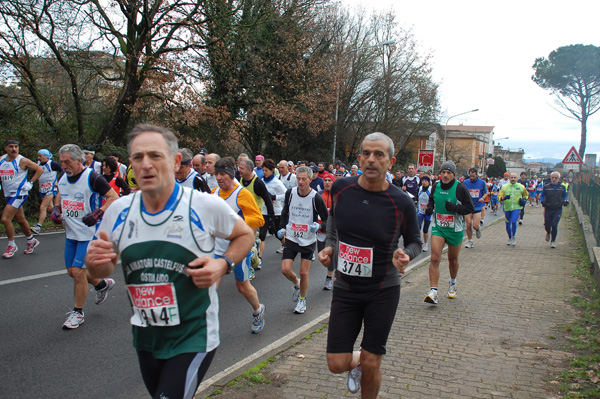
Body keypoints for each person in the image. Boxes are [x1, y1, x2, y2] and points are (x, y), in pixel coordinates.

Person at [85, 124, 255, 399]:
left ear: (176, 162)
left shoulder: (202, 205)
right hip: (146, 337)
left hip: (194, 336)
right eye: (138, 158)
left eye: (155, 156)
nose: (146, 165)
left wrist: (223, 264)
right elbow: (104, 267)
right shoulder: (118, 210)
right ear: (130, 165)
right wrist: (96, 264)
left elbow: (245, 234)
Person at [318, 132, 421, 397]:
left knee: (373, 360)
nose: (371, 160)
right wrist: (330, 245)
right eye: (366, 153)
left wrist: (406, 254)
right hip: (346, 288)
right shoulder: (342, 188)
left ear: (390, 161)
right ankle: (359, 362)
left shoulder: (401, 202)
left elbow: (415, 241)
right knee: (336, 364)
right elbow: (332, 220)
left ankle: (367, 363)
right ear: (360, 157)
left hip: (382, 289)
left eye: (379, 155)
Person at [53, 144, 119, 329]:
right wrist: (57, 208)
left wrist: (99, 212)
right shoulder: (63, 177)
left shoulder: (92, 177)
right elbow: (61, 193)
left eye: (67, 161)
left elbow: (113, 197)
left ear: (79, 160)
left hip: (90, 233)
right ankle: (101, 285)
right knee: (71, 272)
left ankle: (78, 313)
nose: (64, 165)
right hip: (71, 233)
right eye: (61, 161)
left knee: (78, 272)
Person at [212, 157, 267, 333]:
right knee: (210, 285)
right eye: (216, 174)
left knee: (242, 286)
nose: (219, 178)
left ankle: (258, 310)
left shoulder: (242, 194)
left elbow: (259, 219)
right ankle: (206, 325)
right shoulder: (213, 192)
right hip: (215, 248)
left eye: (222, 174)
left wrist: (239, 220)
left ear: (231, 174)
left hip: (238, 248)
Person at [277, 165, 328, 314]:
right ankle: (297, 284)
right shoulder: (290, 193)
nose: (300, 182)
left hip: (308, 239)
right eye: (298, 179)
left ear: (310, 180)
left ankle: (302, 300)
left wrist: (317, 227)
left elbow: (327, 220)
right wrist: (282, 228)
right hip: (292, 236)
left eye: (304, 179)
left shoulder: (316, 198)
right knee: (285, 269)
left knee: (304, 272)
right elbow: (285, 212)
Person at [424, 160, 474, 305]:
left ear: (453, 174)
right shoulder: (436, 186)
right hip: (438, 227)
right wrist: (429, 208)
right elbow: (432, 200)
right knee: (434, 257)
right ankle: (433, 291)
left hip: (455, 229)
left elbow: (469, 207)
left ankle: (452, 283)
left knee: (452, 260)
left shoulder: (460, 188)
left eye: (448, 173)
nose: (445, 175)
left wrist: (455, 208)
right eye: (443, 172)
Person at [0, 139, 43, 258]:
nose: (14, 149)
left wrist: (30, 183)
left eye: (16, 146)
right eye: (10, 147)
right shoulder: (1, 160)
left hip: (20, 193)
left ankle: (11, 245)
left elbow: (40, 169)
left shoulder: (22, 160)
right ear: (5, 148)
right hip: (8, 194)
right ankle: (31, 240)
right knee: (20, 219)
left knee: (5, 218)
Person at [238, 158, 275, 269]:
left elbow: (268, 201)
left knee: (248, 243)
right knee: (243, 242)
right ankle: (255, 249)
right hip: (241, 217)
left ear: (249, 170)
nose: (239, 170)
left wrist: (271, 220)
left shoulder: (258, 183)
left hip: (253, 217)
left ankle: (251, 266)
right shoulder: (239, 180)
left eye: (241, 168)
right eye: (239, 167)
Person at [258, 159, 286, 265]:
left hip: (276, 211)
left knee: (277, 233)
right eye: (263, 170)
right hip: (264, 210)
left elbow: (286, 194)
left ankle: (286, 246)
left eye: (266, 170)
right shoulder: (260, 181)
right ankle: (259, 259)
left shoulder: (277, 183)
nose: (264, 172)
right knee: (262, 235)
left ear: (272, 170)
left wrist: (274, 197)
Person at [32, 149, 63, 235]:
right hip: (42, 189)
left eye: (40, 156)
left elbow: (63, 172)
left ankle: (38, 227)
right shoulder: (37, 164)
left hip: (51, 188)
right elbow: (33, 174)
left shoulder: (53, 164)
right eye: (38, 156)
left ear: (46, 156)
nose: (38, 158)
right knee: (50, 208)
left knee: (43, 207)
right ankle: (64, 220)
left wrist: (59, 182)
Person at [498, 172, 528, 246]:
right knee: (508, 224)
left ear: (517, 179)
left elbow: (526, 194)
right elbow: (499, 197)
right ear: (509, 178)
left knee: (514, 221)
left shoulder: (521, 187)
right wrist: (504, 198)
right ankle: (510, 237)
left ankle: (513, 236)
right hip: (507, 208)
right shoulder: (505, 187)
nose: (513, 179)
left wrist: (524, 200)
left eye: (515, 178)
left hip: (516, 207)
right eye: (512, 177)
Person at [317, 173, 335, 290]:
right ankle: (331, 271)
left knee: (331, 255)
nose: (327, 182)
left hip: (333, 232)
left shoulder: (337, 196)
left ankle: (329, 278)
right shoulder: (319, 195)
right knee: (322, 255)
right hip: (320, 230)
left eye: (329, 180)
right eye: (325, 180)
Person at [540, 171, 568, 248]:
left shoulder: (562, 187)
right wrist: (542, 201)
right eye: (553, 177)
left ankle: (553, 241)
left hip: (557, 208)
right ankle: (548, 232)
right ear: (550, 178)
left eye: (556, 178)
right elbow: (542, 196)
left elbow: (565, 195)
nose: (554, 179)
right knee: (547, 224)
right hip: (548, 208)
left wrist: (565, 200)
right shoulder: (546, 186)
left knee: (554, 224)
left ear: (559, 178)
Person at [462, 168, 488, 248]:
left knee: (475, 225)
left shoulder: (482, 182)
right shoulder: (465, 182)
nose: (471, 177)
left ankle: (477, 229)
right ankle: (470, 241)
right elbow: (462, 192)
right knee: (468, 224)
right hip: (468, 206)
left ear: (476, 175)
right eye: (470, 176)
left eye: (473, 176)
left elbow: (486, 192)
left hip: (477, 206)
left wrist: (482, 198)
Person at [417, 175, 432, 252]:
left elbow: (433, 200)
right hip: (420, 211)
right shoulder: (420, 188)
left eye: (426, 181)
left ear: (429, 182)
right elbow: (417, 198)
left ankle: (426, 244)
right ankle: (419, 242)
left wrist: (430, 208)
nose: (424, 182)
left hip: (428, 212)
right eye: (423, 181)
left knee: (425, 229)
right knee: (418, 227)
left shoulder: (430, 189)